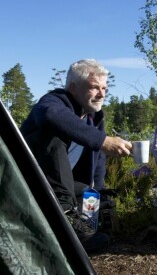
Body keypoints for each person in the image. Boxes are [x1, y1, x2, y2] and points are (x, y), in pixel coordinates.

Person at [19, 59, 131, 251]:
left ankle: (83, 230)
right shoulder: (53, 102)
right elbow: (50, 116)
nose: (102, 94)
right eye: (94, 87)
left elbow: (98, 158)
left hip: (61, 184)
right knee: (52, 133)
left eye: (105, 88)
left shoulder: (93, 118)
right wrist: (103, 140)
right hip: (29, 181)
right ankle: (67, 216)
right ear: (73, 88)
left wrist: (98, 190)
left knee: (95, 197)